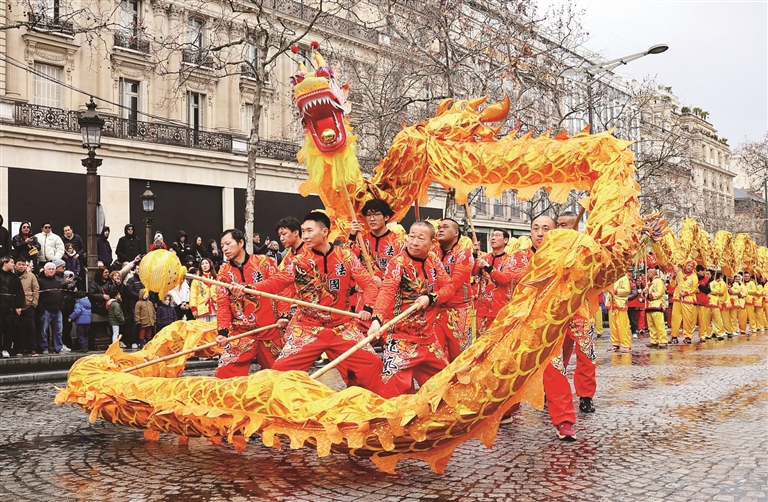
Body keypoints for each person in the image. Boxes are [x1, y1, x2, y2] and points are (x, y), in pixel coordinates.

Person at [240, 212, 383, 392]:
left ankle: (368, 405)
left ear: (324, 232)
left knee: (374, 364)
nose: (305, 236)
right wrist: (251, 288)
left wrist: (368, 307)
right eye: (303, 231)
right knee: (280, 374)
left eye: (309, 231)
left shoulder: (345, 256)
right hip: (308, 328)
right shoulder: (298, 261)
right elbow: (277, 281)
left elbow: (369, 284)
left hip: (342, 327)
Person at [366, 221, 452, 398]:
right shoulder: (398, 262)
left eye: (421, 238)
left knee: (445, 387)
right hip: (400, 337)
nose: (414, 242)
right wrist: (377, 319)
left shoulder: (434, 260)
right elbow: (387, 290)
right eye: (411, 236)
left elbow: (449, 287)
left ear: (432, 242)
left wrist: (431, 298)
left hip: (428, 339)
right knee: (392, 393)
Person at [213, 228, 283, 377]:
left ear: (241, 243)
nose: (224, 248)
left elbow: (281, 288)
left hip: (270, 329)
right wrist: (223, 332)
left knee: (280, 376)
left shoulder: (264, 262)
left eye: (227, 243)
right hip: (242, 333)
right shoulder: (223, 274)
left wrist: (284, 315)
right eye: (222, 245)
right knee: (224, 375)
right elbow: (223, 305)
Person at [435, 217, 475, 362]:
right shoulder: (431, 253)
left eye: (445, 227)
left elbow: (454, 283)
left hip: (459, 311)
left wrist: (432, 297)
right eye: (439, 227)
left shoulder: (464, 254)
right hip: (436, 311)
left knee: (460, 358)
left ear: (456, 232)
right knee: (436, 355)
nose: (440, 229)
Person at [348, 199, 405, 285]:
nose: (372, 219)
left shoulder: (398, 242)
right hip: (366, 290)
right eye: (368, 215)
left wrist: (383, 283)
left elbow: (404, 270)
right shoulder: (361, 240)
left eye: (377, 215)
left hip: (388, 291)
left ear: (386, 217)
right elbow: (347, 261)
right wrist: (352, 236)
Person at [473, 228, 516, 335]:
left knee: (497, 343)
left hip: (500, 309)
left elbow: (504, 279)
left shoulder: (510, 260)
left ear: (505, 240)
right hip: (482, 309)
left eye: (497, 235)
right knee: (481, 343)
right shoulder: (484, 258)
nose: (493, 238)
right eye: (492, 235)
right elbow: (473, 272)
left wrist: (487, 267)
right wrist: (474, 254)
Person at [36, 262, 65, 354]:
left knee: (58, 331)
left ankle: (58, 348)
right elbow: (37, 295)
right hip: (46, 310)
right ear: (45, 271)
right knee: (44, 331)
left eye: (53, 269)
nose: (51, 271)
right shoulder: (40, 280)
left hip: (58, 310)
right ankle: (44, 347)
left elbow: (62, 294)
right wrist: (42, 308)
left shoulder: (58, 281)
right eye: (49, 269)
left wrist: (62, 306)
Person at [0, 256, 24, 358]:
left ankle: (6, 348)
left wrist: (18, 306)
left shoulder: (14, 277)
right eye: (11, 262)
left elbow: (20, 292)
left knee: (9, 328)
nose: (13, 264)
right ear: (5, 263)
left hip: (10, 306)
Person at [669, 260, 698, 344]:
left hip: (688, 300)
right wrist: (673, 277)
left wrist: (686, 293)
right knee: (675, 318)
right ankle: (674, 336)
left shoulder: (694, 276)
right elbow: (673, 285)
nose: (689, 267)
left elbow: (694, 288)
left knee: (688, 319)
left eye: (691, 266)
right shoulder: (678, 273)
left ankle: (688, 336)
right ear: (685, 265)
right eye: (688, 265)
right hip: (677, 299)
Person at [14, 258, 39, 356]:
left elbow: (36, 290)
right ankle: (19, 349)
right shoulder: (13, 276)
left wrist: (34, 303)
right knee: (17, 329)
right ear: (15, 265)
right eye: (19, 264)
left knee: (31, 328)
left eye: (23, 264)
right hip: (15, 306)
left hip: (29, 305)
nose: (21, 266)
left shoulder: (31, 276)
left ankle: (32, 348)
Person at [607, 271, 632, 353]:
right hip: (612, 305)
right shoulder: (611, 278)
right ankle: (615, 344)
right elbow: (608, 292)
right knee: (613, 326)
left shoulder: (624, 278)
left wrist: (616, 291)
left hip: (620, 304)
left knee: (622, 325)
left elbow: (626, 290)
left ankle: (626, 345)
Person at [645, 268, 667, 348]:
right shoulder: (649, 282)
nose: (647, 274)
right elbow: (645, 292)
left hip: (657, 305)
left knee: (659, 325)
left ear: (651, 273)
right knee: (651, 326)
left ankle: (663, 340)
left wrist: (649, 295)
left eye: (648, 273)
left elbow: (660, 292)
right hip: (649, 306)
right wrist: (644, 293)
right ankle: (654, 340)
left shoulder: (659, 281)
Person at [190, 257, 218, 322]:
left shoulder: (216, 278)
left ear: (210, 264)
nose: (204, 265)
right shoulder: (197, 279)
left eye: (206, 263)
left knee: (214, 329)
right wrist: (193, 308)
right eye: (202, 264)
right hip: (201, 308)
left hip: (216, 307)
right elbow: (193, 295)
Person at [708, 269, 727, 341]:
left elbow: (719, 291)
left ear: (711, 275)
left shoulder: (715, 283)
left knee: (717, 319)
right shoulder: (704, 282)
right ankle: (709, 333)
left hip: (714, 302)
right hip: (706, 303)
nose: (707, 275)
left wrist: (709, 290)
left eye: (708, 274)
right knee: (707, 320)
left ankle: (719, 333)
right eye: (706, 274)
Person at [695, 266, 712, 342]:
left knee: (703, 321)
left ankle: (703, 335)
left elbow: (707, 290)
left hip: (702, 303)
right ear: (698, 272)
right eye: (702, 271)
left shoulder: (706, 280)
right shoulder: (693, 279)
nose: (704, 273)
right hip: (694, 303)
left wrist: (699, 286)